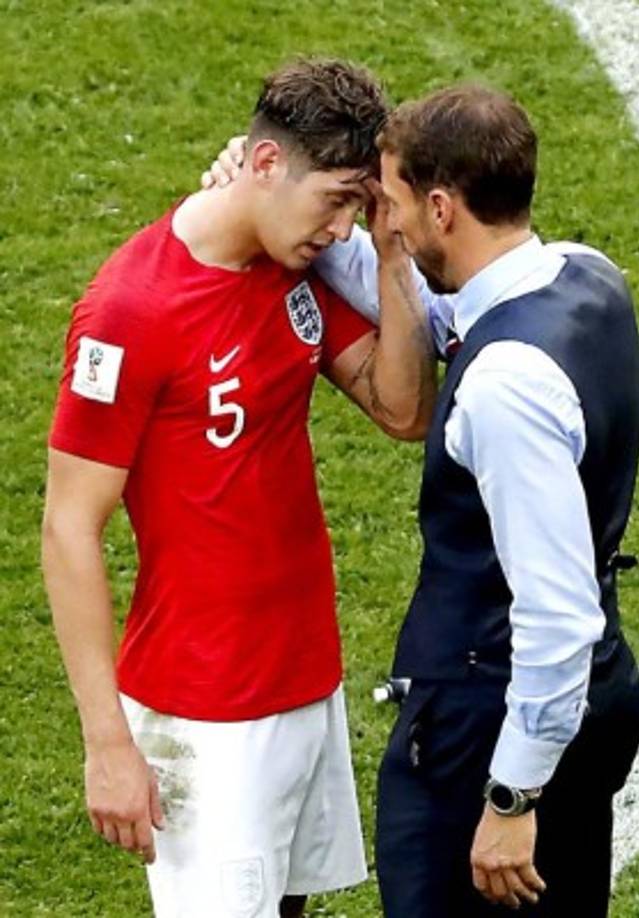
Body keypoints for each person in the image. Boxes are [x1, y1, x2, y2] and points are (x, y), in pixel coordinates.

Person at [209, 79, 639, 917]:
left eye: (394, 200)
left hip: (487, 727)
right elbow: (439, 314)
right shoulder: (589, 280)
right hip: (595, 697)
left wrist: (512, 799)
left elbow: (553, 618)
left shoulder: (507, 389)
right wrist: (280, 215)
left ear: (441, 207)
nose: (389, 222)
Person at [41, 58, 436, 918]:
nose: (341, 231)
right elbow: (69, 527)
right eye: (334, 199)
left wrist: (395, 260)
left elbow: (402, 409)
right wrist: (106, 743)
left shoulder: (285, 267)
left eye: (355, 207)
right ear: (264, 166)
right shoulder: (129, 311)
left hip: (303, 678)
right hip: (204, 708)